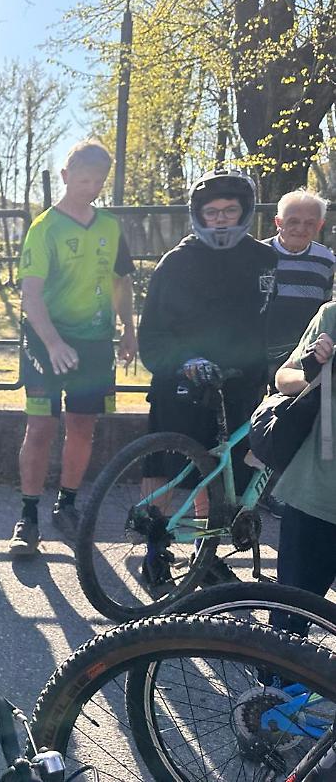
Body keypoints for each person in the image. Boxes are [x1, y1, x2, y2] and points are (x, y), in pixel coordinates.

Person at [137, 168, 277, 587]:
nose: (219, 219)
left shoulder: (263, 259)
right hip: (183, 376)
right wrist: (185, 361)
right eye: (211, 211)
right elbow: (153, 332)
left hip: (239, 381)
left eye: (229, 210)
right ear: (198, 214)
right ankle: (154, 546)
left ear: (245, 212)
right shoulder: (176, 262)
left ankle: (205, 550)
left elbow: (271, 321)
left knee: (217, 470)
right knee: (166, 465)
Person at [13, 140, 136, 556]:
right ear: (65, 176)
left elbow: (122, 282)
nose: (91, 188)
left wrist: (129, 329)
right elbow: (30, 295)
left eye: (98, 181)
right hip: (44, 341)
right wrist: (52, 343)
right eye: (83, 180)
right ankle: (27, 517)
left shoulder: (110, 226)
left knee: (83, 426)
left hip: (95, 342)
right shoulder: (44, 227)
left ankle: (67, 502)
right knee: (41, 427)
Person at [270, 306, 336, 633]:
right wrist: (312, 368)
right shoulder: (332, 316)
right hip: (316, 493)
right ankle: (283, 686)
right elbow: (283, 379)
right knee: (288, 628)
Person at [263, 189, 334, 379]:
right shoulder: (259, 255)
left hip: (304, 350)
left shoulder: (326, 260)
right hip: (262, 349)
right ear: (278, 222)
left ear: (319, 226)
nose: (301, 229)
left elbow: (324, 305)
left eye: (310, 223)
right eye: (293, 221)